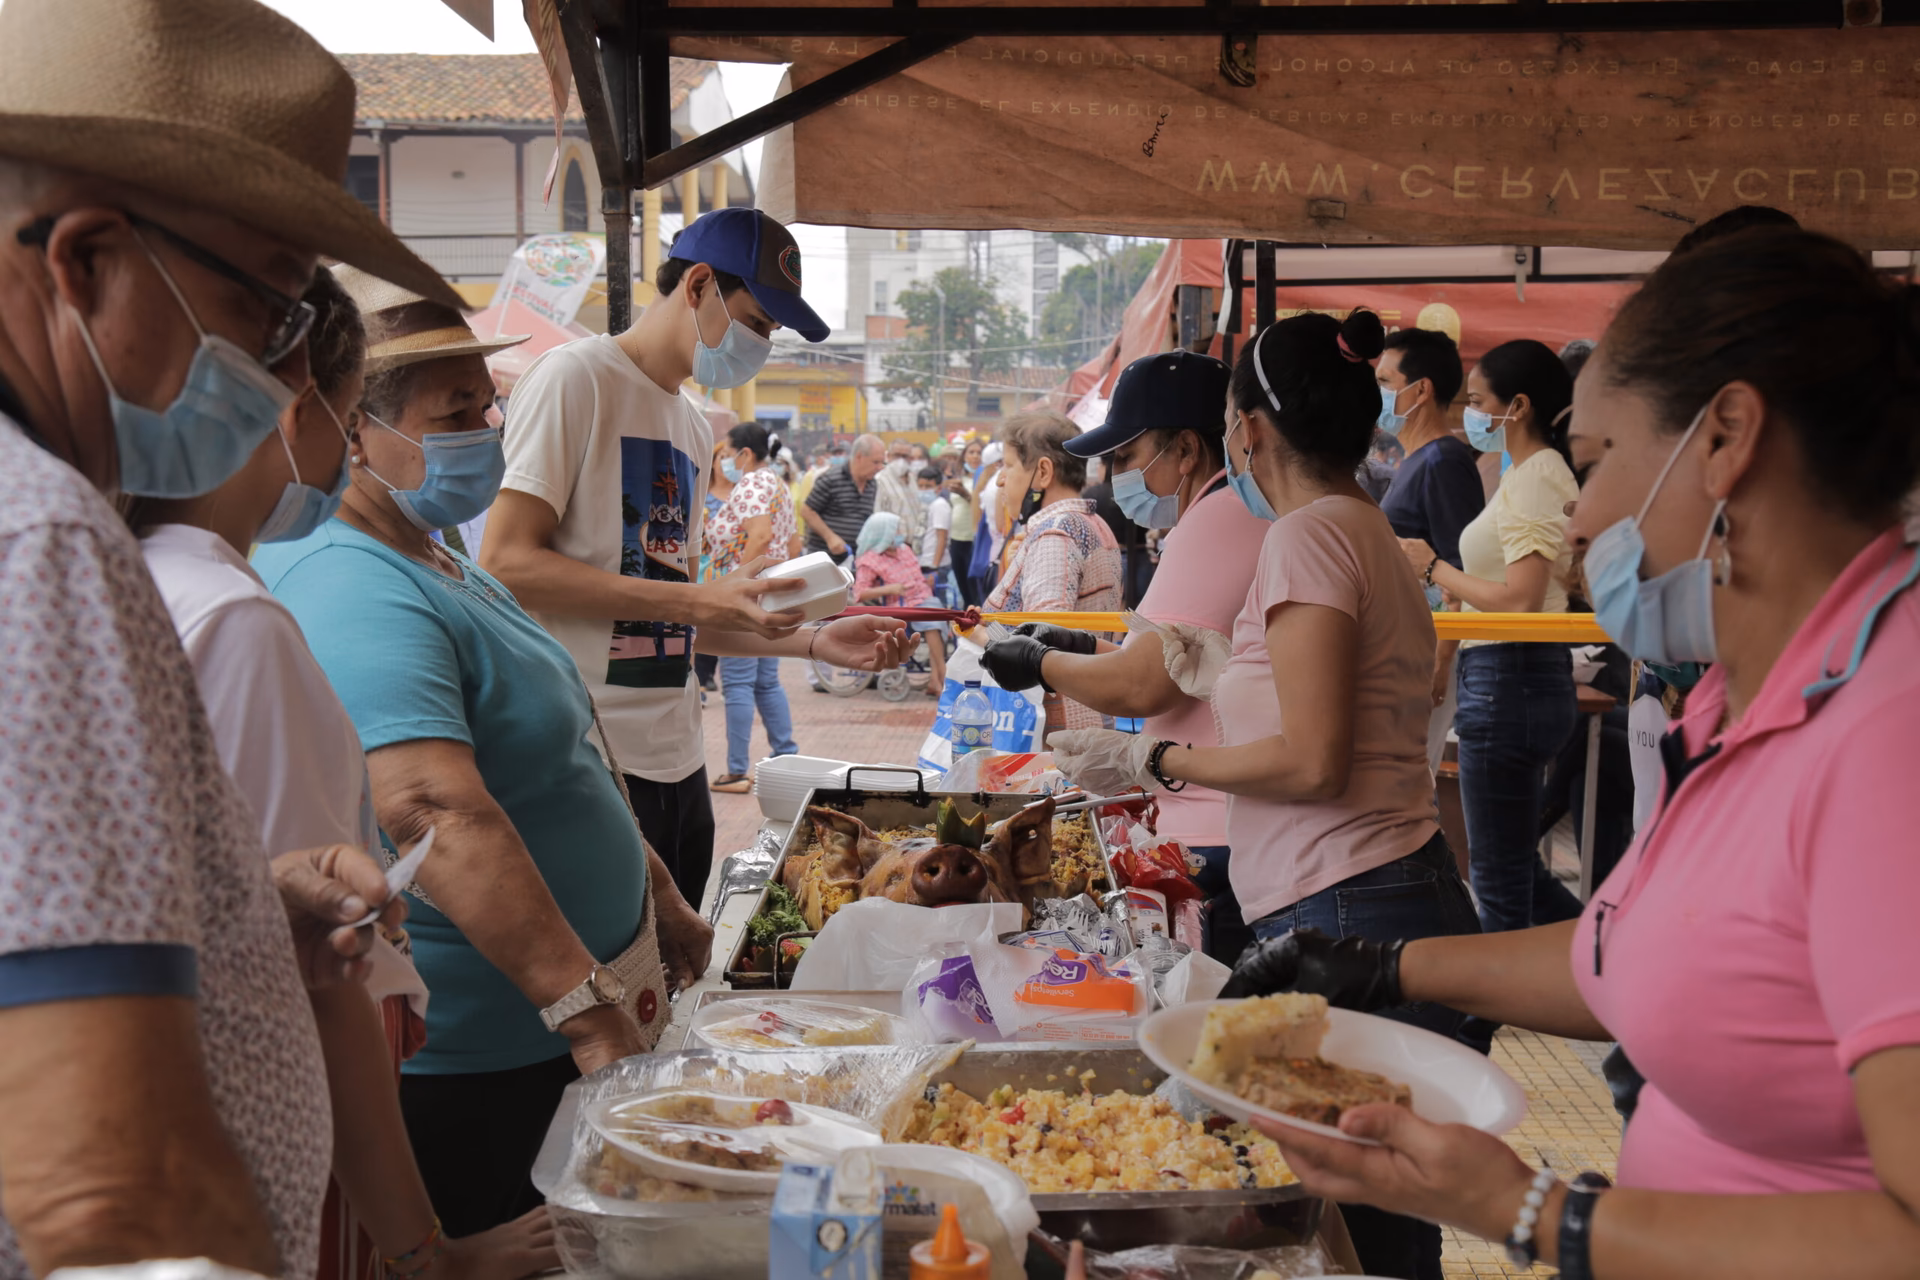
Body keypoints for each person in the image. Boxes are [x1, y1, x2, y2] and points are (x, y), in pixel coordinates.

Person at [1224, 226, 1920, 1280]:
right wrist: (1379, 964)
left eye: (1591, 464)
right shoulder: (1739, 696)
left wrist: (1538, 1212)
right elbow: (1638, 954)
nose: (1581, 517)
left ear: (1729, 438)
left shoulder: (1888, 733)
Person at [0, 2, 455, 1275]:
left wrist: (235, 907)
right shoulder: (44, 538)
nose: (276, 367)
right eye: (269, 307)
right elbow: (114, 1186)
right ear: (87, 261)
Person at [254, 269, 712, 1238]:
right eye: (455, 411)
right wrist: (586, 1013)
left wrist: (656, 890)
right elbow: (429, 808)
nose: (487, 428)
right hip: (490, 1053)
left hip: (559, 1025)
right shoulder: (347, 578)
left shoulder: (434, 551)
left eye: (486, 403)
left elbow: (557, 759)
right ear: (354, 430)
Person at [126, 271, 555, 1280]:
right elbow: (323, 976)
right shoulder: (237, 621)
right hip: (293, 1136)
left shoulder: (150, 575)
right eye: (350, 412)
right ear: (307, 411)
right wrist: (424, 1251)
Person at [1050, 312, 1482, 1280]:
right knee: (1379, 1214)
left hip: (1350, 899)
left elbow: (1314, 760)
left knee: (1363, 1224)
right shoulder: (1365, 528)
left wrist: (1159, 760)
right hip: (1378, 891)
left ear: (1245, 429)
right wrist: (1219, 669)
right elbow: (1332, 701)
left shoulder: (1306, 538)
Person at [480, 209, 906, 908]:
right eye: (757, 322)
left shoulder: (689, 423)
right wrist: (693, 598)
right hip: (586, 758)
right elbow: (505, 563)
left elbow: (671, 614)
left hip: (678, 760)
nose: (760, 344)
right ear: (699, 284)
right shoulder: (575, 379)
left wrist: (814, 641)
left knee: (678, 962)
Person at [981, 351, 1263, 964]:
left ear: (1185, 449)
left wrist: (1039, 662)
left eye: (1127, 457)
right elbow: (1179, 663)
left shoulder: (1217, 520)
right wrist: (1084, 647)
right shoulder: (1225, 514)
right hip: (1219, 817)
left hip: (1219, 828)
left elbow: (1144, 687)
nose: (1113, 476)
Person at [1397, 340, 1583, 935]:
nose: (1470, 414)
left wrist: (1432, 566)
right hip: (1507, 675)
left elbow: (1520, 599)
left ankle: (1497, 1003)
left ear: (1518, 406)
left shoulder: (1536, 477)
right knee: (1516, 873)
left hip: (1510, 676)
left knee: (1499, 884)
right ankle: (1603, 961)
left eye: (1478, 402)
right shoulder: (1524, 473)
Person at [986, 411, 1125, 735]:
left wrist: (978, 630)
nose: (1000, 480)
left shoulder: (1056, 534)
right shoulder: (1090, 523)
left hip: (1051, 733)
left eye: (1008, 465)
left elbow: (1041, 643)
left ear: (1043, 472)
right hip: (1087, 716)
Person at [706, 423, 802, 793]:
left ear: (745, 454)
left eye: (727, 455)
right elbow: (792, 545)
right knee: (765, 682)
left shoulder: (749, 484)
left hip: (745, 599)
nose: (724, 462)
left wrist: (738, 587)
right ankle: (786, 757)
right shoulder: (776, 483)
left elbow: (760, 535)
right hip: (770, 595)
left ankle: (736, 770)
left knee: (738, 683)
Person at [852, 510, 946, 691]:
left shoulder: (905, 550)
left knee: (936, 614)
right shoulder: (870, 560)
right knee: (932, 620)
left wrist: (926, 581)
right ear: (883, 532)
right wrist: (889, 589)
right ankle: (942, 672)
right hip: (901, 605)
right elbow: (860, 593)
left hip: (924, 597)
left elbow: (917, 576)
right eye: (896, 530)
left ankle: (936, 679)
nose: (900, 533)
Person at [802, 432, 883, 562]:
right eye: (875, 462)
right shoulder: (831, 478)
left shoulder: (872, 484)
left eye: (882, 462)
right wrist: (830, 537)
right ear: (859, 457)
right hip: (825, 559)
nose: (880, 467)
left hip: (855, 561)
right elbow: (807, 511)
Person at [874, 435, 926, 547]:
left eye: (905, 456)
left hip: (917, 544)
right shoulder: (880, 481)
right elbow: (877, 516)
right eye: (897, 455)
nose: (901, 460)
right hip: (894, 546)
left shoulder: (914, 479)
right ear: (888, 456)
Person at [942, 454, 979, 606]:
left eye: (978, 452)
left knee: (975, 587)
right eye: (971, 452)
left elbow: (981, 508)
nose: (975, 456)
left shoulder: (984, 481)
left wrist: (965, 494)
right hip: (957, 537)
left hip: (973, 539)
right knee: (962, 583)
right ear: (964, 457)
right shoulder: (959, 480)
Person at [917, 463, 952, 589]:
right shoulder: (927, 505)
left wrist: (935, 567)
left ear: (938, 488)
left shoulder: (939, 505)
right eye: (920, 486)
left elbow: (942, 537)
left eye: (928, 486)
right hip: (925, 562)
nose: (923, 490)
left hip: (935, 565)